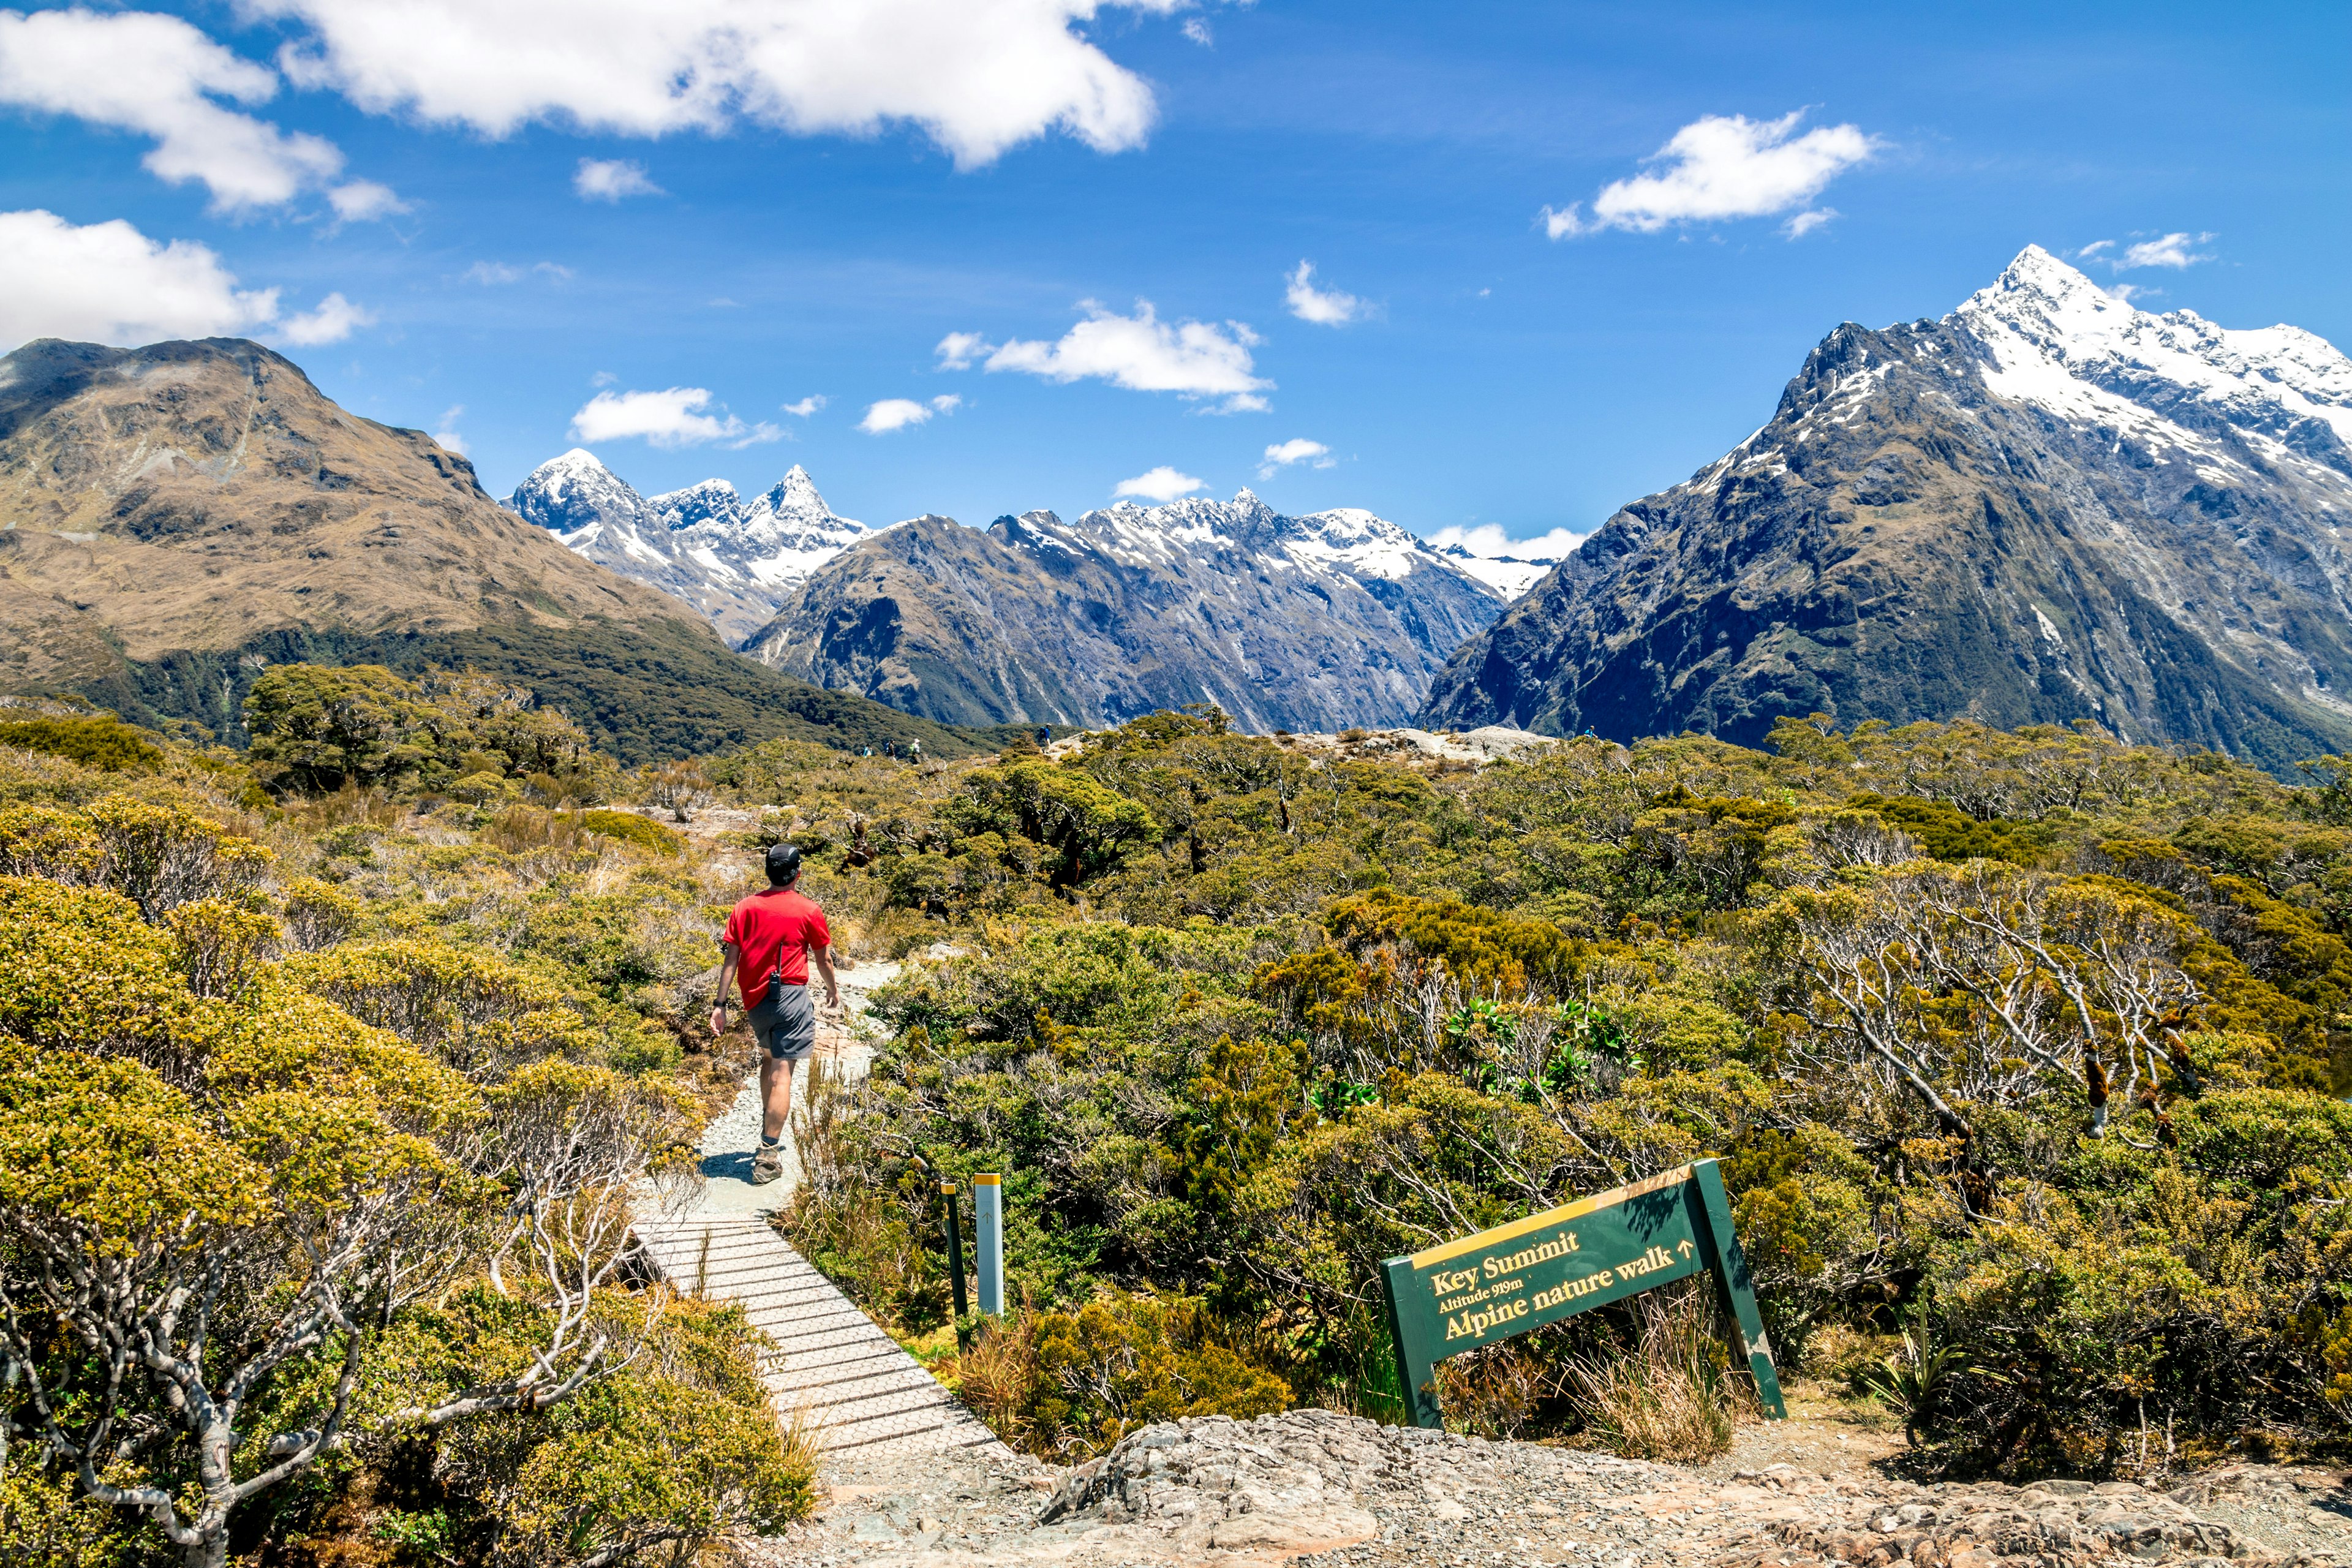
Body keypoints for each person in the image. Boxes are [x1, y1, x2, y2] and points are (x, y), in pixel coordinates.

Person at [710, 843, 841, 1185]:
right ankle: (768, 1154)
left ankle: (769, 1119)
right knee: (783, 1073)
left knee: (769, 1060)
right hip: (791, 998)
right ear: (797, 874)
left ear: (768, 872)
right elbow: (823, 959)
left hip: (755, 1002)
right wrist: (832, 989)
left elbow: (731, 960)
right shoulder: (808, 910)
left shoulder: (745, 908)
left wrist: (720, 1005)